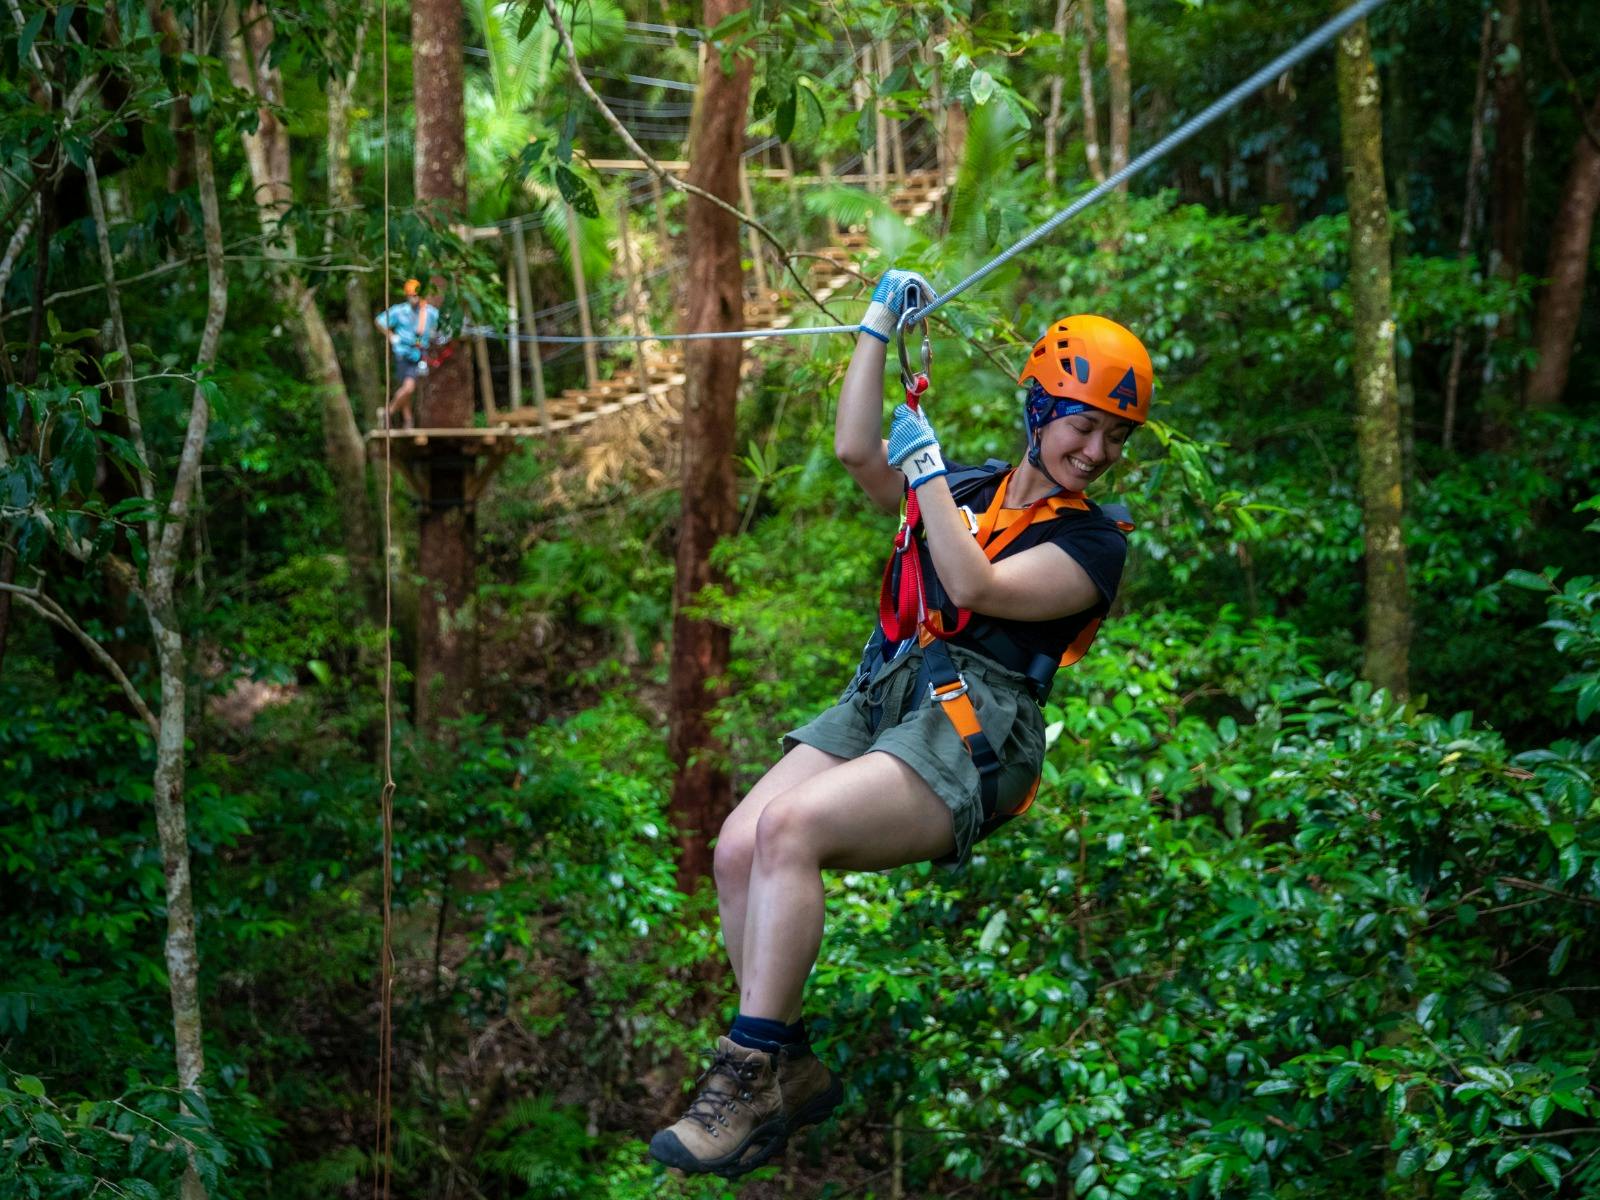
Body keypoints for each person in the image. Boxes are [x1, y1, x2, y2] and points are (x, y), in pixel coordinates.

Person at [647, 268, 1154, 1179]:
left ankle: (745, 1072)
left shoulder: (1094, 542)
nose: (1099, 451)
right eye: (1085, 426)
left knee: (791, 830)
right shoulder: (969, 484)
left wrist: (925, 472)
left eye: (1115, 437)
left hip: (979, 725)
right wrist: (878, 327)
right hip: (895, 690)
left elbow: (978, 587)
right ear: (1039, 410)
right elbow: (856, 455)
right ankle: (787, 1060)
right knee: (736, 845)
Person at [375, 278, 433, 430]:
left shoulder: (428, 312)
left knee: (408, 388)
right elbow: (379, 321)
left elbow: (443, 324)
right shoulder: (399, 311)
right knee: (408, 387)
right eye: (411, 295)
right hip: (403, 352)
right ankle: (389, 412)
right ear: (407, 296)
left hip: (420, 353)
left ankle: (407, 421)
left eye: (416, 295)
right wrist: (391, 336)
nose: (414, 298)